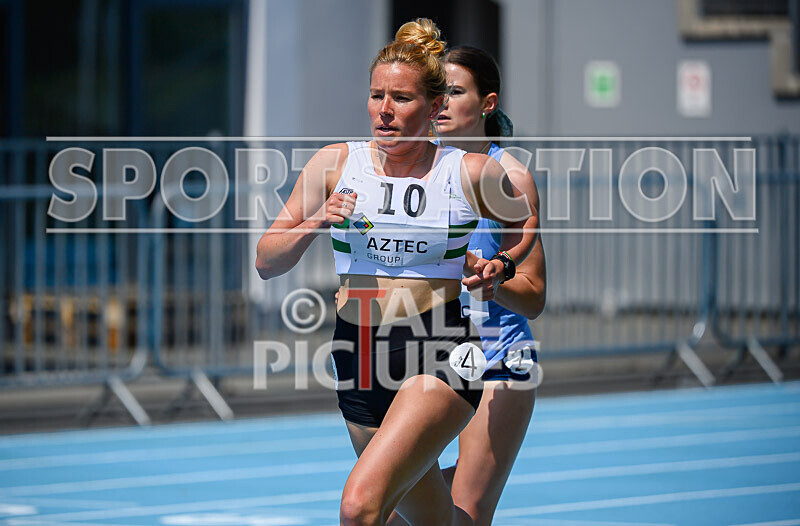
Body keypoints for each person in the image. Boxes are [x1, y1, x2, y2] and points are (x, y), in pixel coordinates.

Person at [255, 20, 539, 526]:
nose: (384, 110)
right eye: (376, 95)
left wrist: (500, 267)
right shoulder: (334, 164)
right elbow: (266, 259)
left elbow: (525, 229)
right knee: (425, 520)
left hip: (441, 348)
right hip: (358, 351)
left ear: (433, 109)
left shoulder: (470, 172)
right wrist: (317, 220)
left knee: (359, 504)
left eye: (401, 98)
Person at [387, 45, 547, 526]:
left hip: (499, 358)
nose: (443, 104)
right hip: (427, 356)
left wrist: (491, 281)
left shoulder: (510, 177)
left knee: (467, 512)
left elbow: (535, 294)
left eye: (455, 91)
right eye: (437, 92)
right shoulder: (415, 171)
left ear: (488, 103)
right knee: (390, 509)